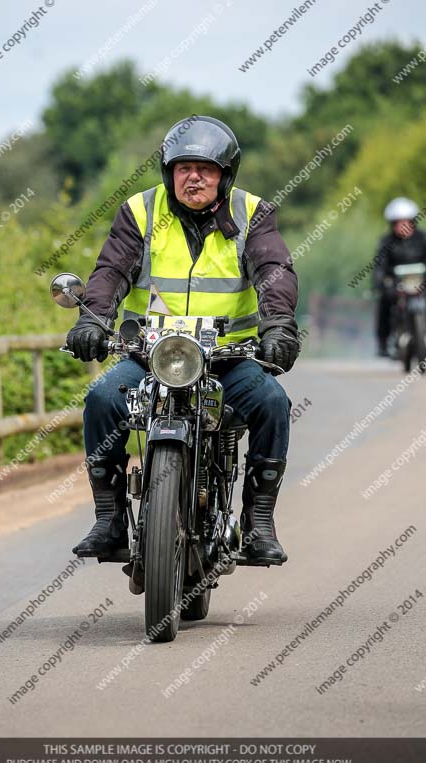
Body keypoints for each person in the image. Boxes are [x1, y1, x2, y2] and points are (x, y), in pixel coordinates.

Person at [66, 116, 299, 566]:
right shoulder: (141, 211)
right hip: (151, 356)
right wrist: (92, 320)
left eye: (206, 169)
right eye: (183, 167)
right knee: (100, 398)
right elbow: (111, 271)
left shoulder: (253, 213)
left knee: (273, 402)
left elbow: (275, 273)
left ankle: (258, 522)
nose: (193, 177)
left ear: (225, 175)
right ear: (168, 172)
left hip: (229, 359)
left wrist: (279, 328)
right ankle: (109, 517)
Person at [373, 197, 426, 356]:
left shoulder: (424, 238)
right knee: (384, 299)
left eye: (406, 221)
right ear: (392, 224)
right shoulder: (386, 242)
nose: (402, 226)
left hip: (422, 282)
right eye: (398, 222)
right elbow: (379, 267)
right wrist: (382, 283)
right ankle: (383, 342)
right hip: (397, 284)